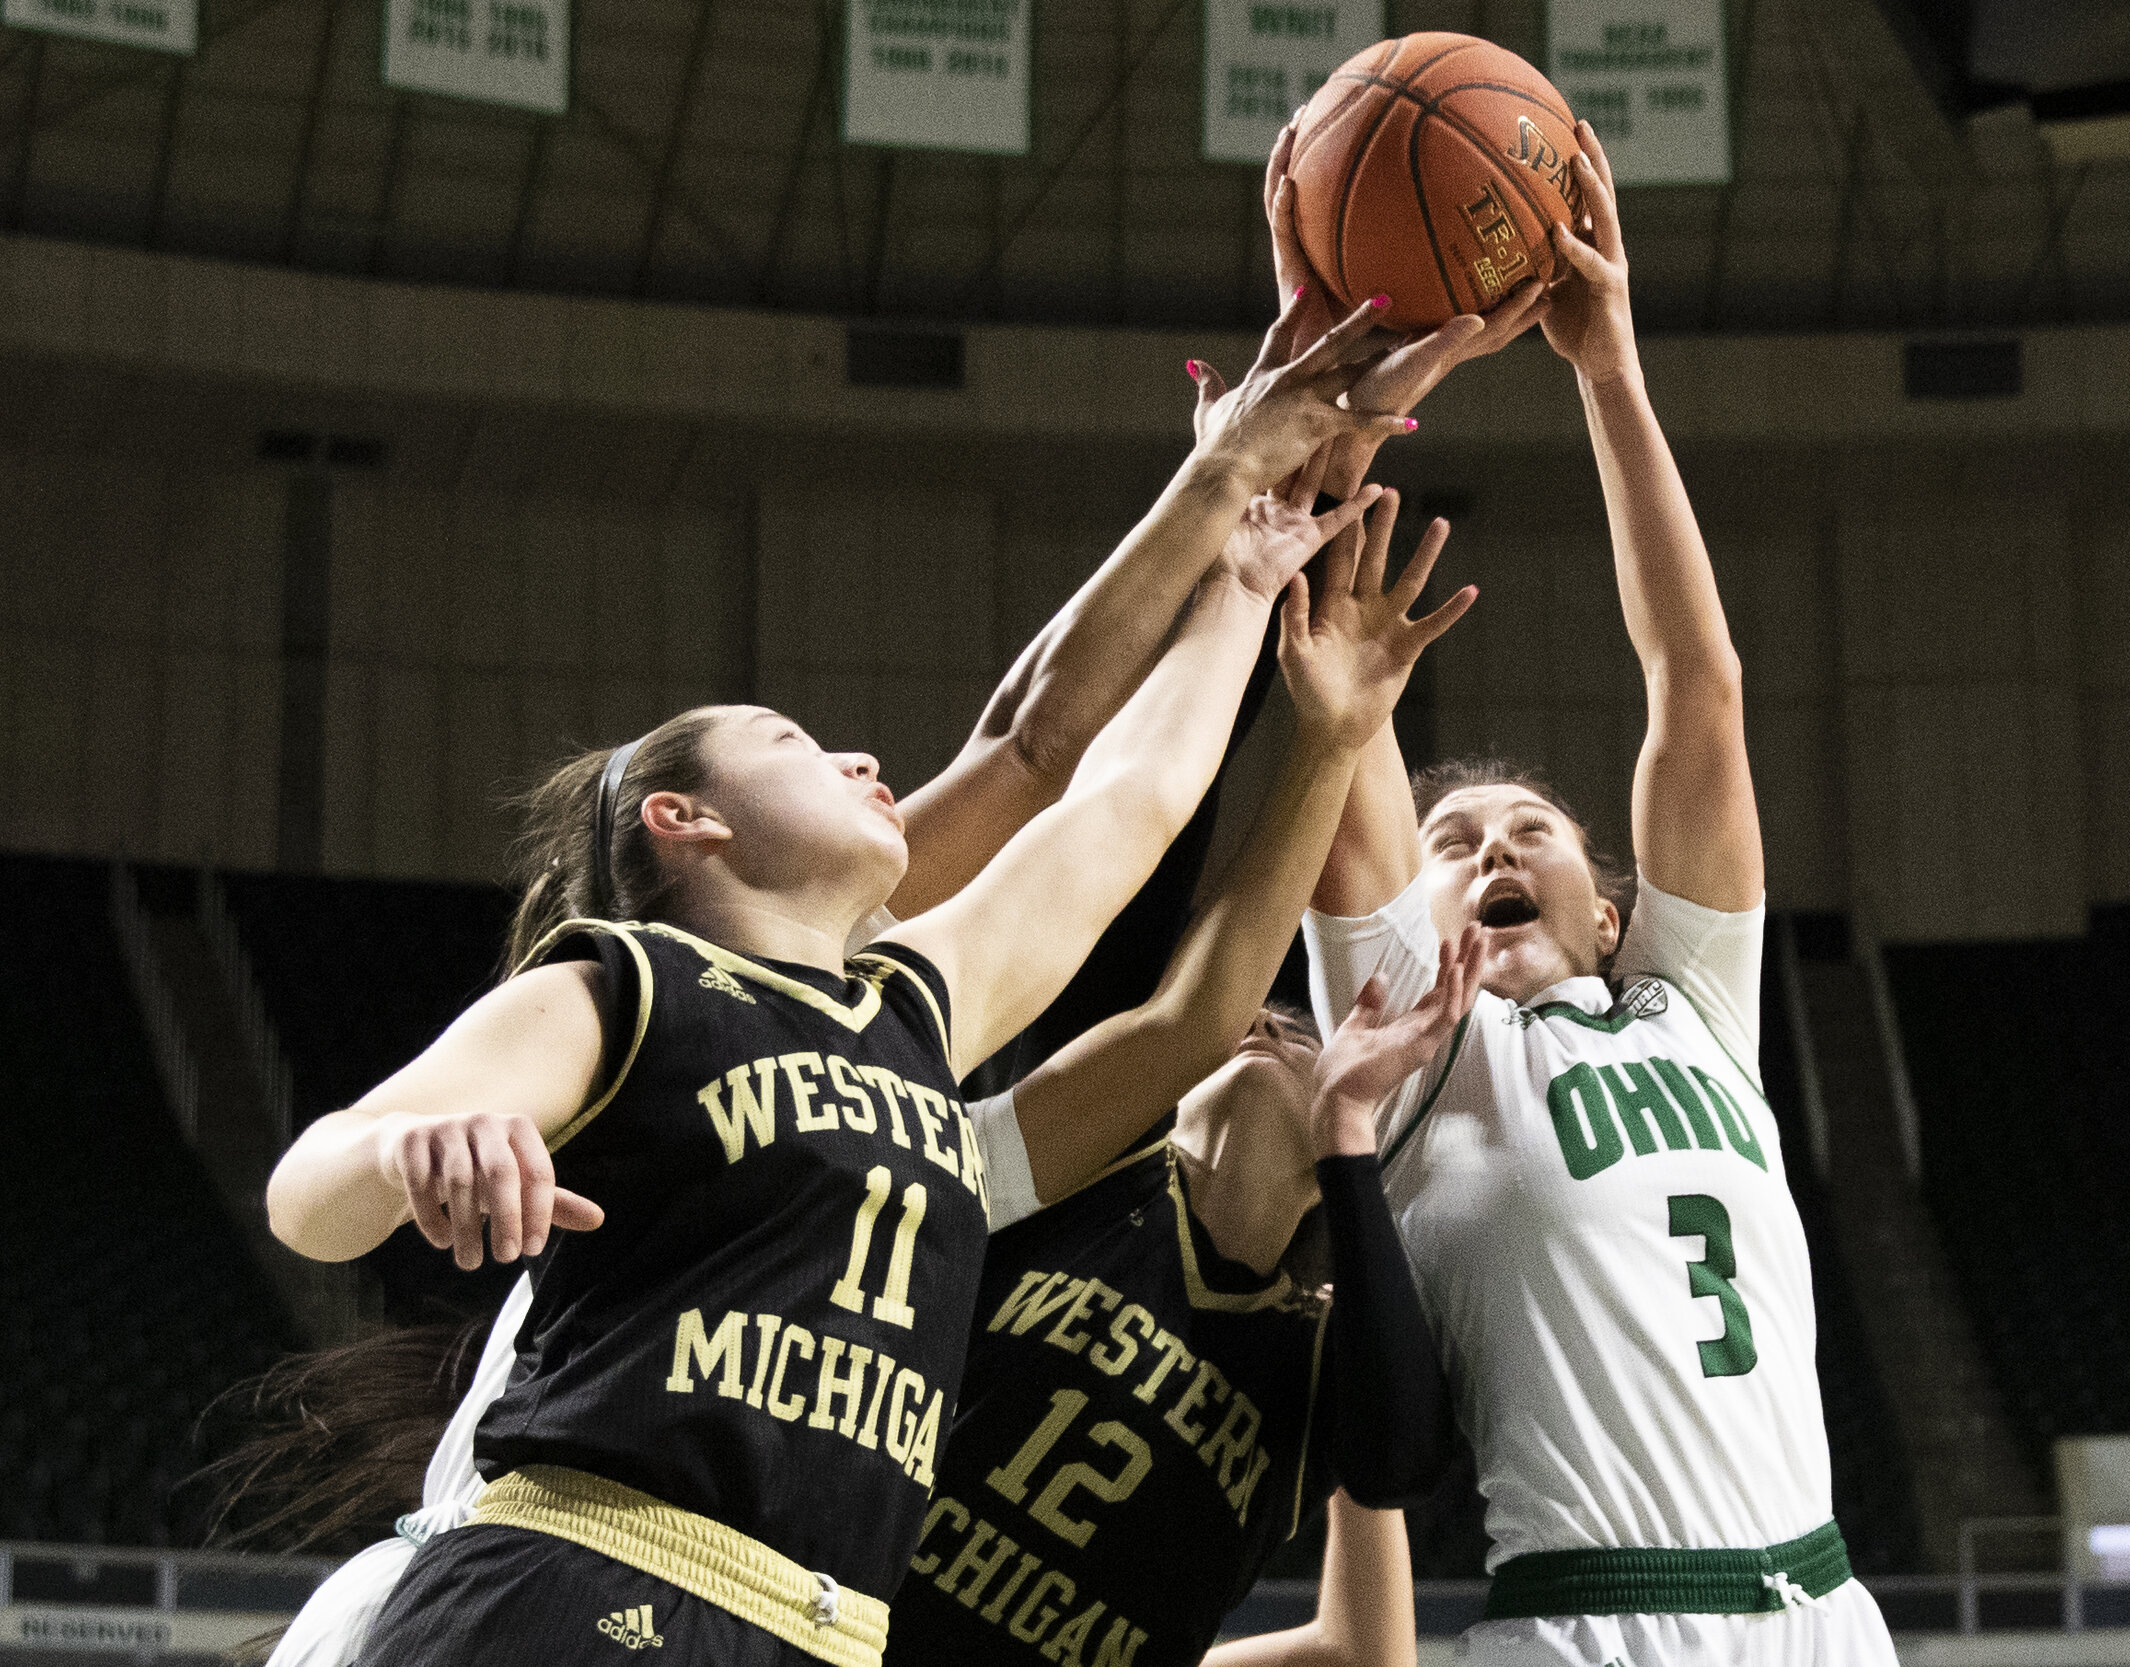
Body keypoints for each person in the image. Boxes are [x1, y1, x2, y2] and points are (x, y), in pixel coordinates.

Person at [264, 299, 1412, 1667]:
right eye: (793, 736)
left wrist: (1244, 573)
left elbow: (1129, 797)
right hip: (577, 1573)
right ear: (681, 821)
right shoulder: (632, 984)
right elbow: (309, 1192)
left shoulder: (919, 1010)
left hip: (821, 1626)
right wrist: (410, 1140)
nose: (866, 759)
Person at [1295, 126, 1900, 1665]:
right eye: (1457, 841)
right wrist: (1340, 423)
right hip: (1599, 1621)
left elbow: (1697, 688)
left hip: (1826, 1608)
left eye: (1532, 828)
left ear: (1615, 908)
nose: (1493, 846)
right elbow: (1339, 721)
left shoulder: (1698, 1006)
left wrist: (1611, 368)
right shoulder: (1416, 1052)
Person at [888, 490, 1484, 1666]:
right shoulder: (1088, 1173)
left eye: (1297, 1030)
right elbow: (1190, 1003)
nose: (1272, 1029)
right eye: (1259, 1021)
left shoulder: (1324, 1344)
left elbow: (1376, 1626)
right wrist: (1321, 728)